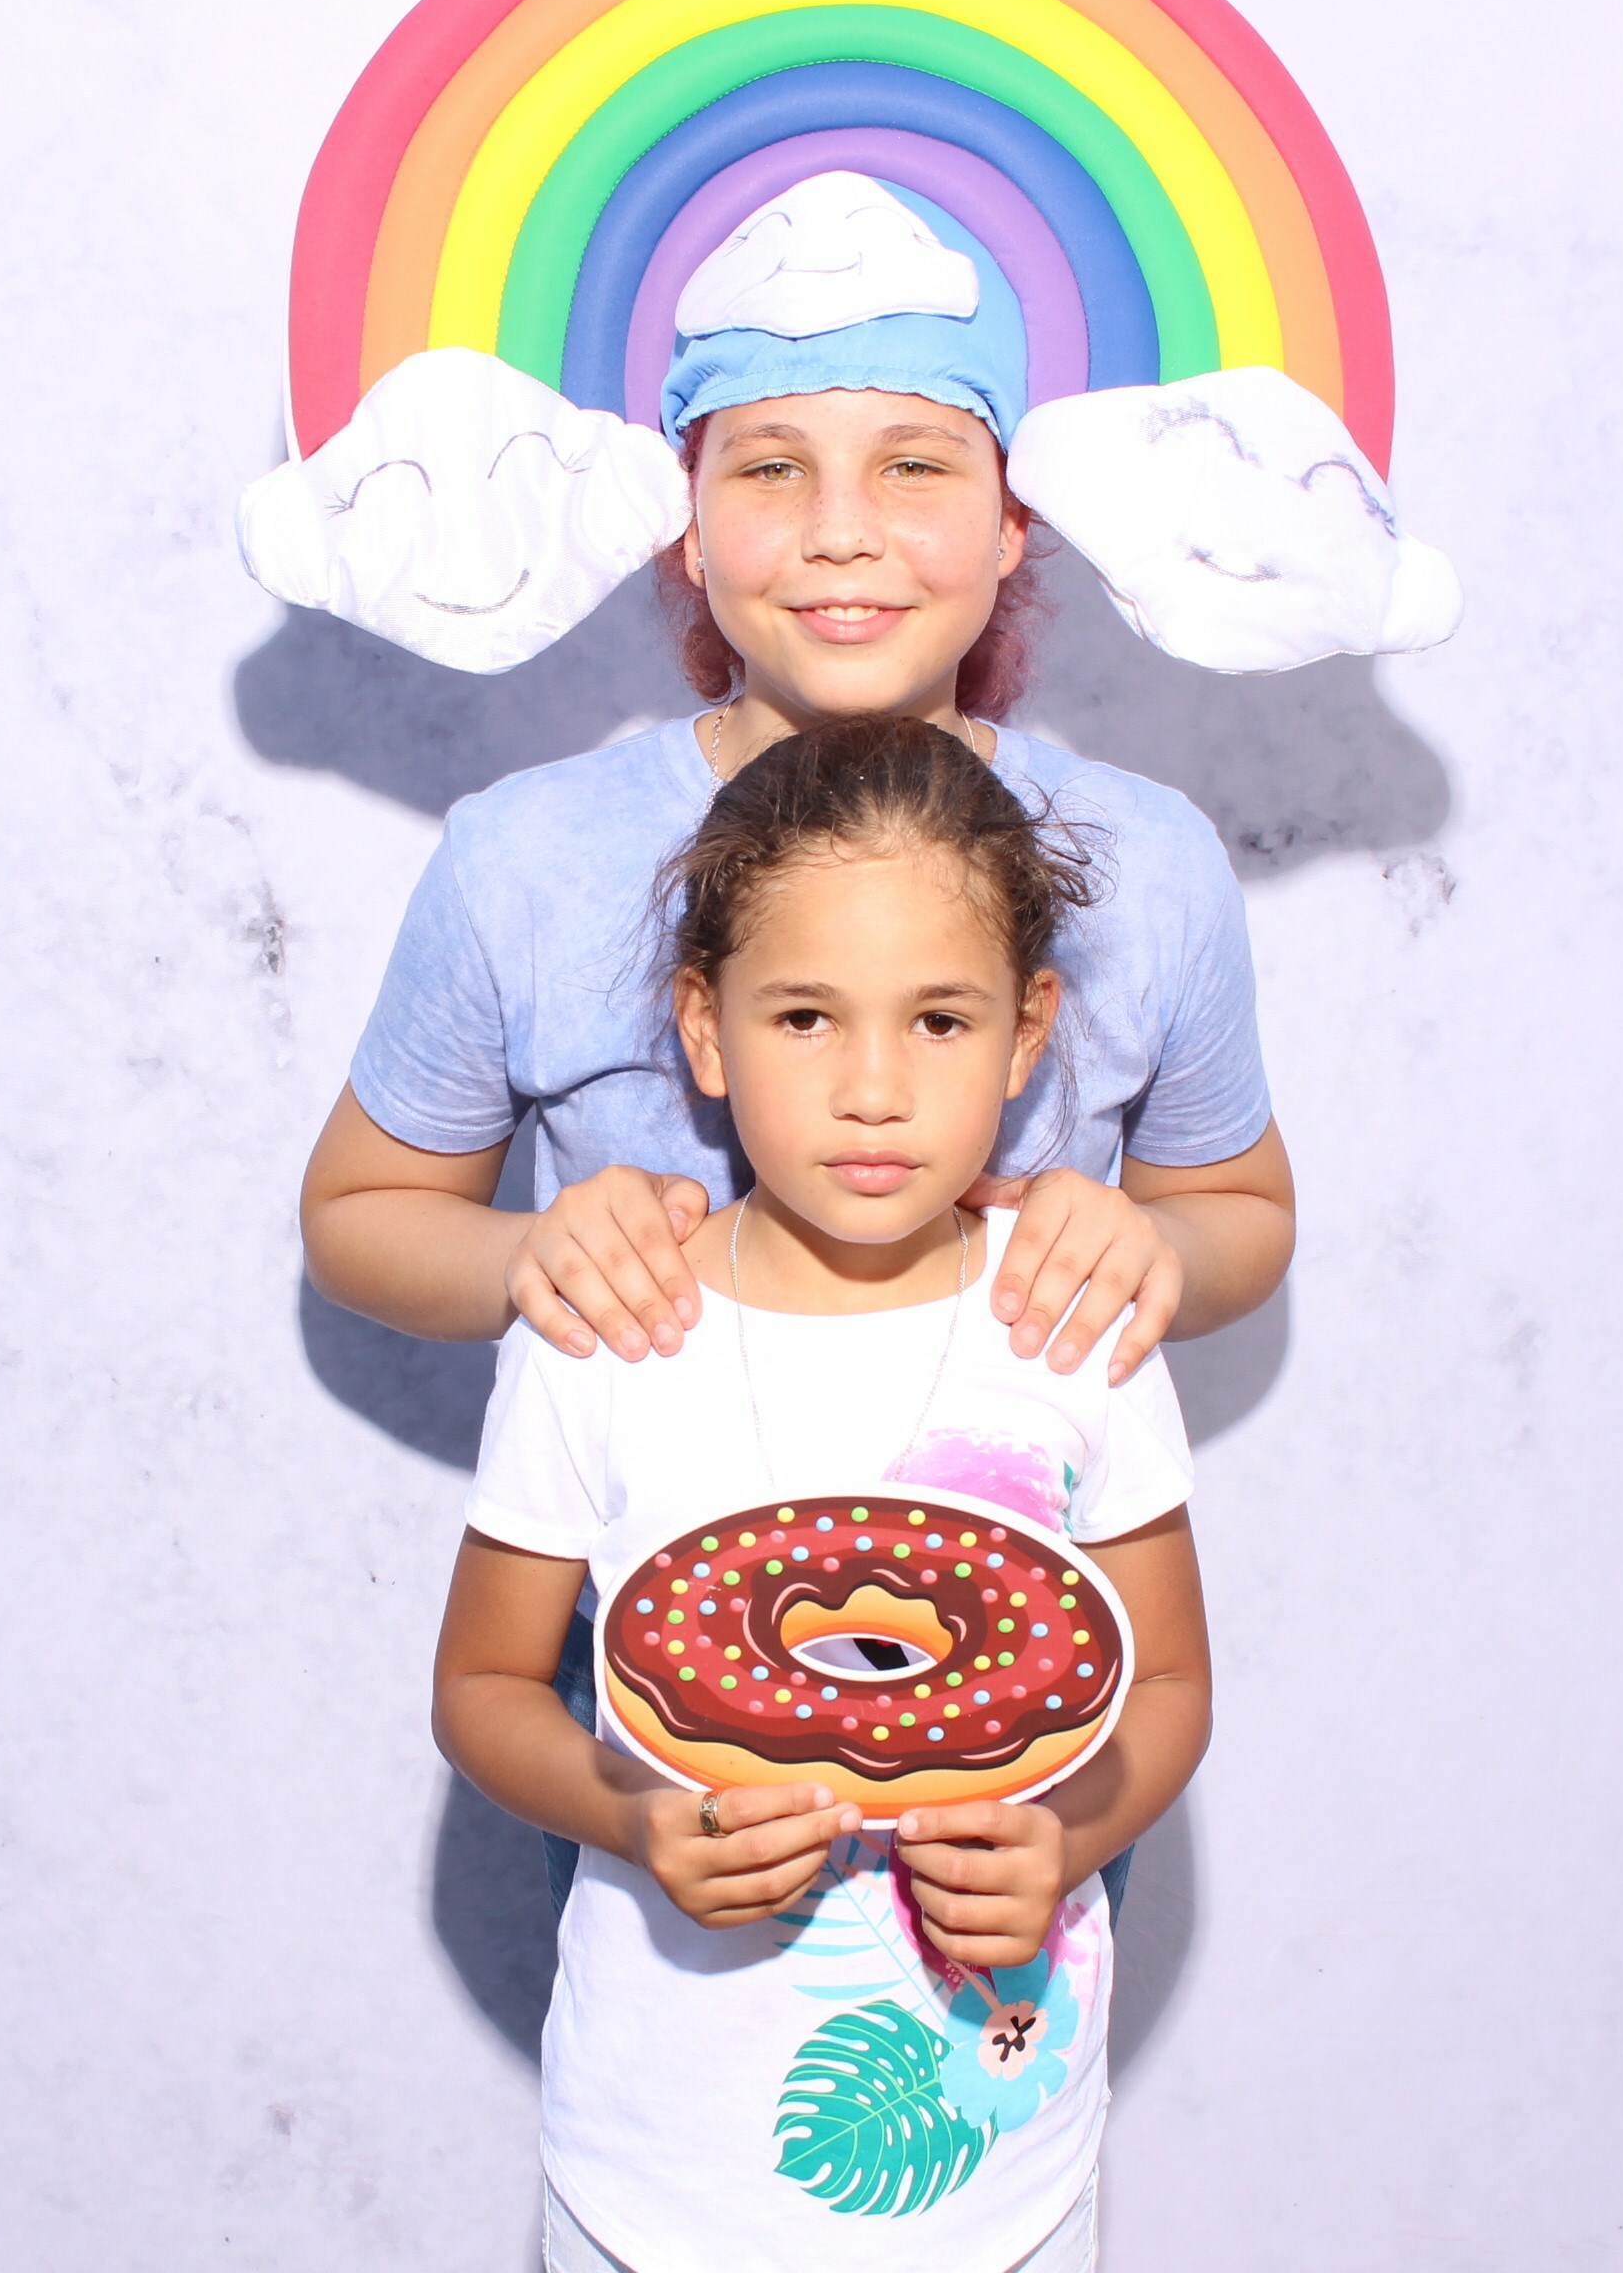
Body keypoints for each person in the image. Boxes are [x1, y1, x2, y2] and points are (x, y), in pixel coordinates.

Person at [297, 179, 1297, 1397]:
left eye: (914, 466)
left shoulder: (1152, 862)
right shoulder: (523, 856)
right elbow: (361, 1213)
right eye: (772, 469)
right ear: (689, 524)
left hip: (1014, 1509)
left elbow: (1240, 1209)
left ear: (1010, 522)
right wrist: (527, 1257)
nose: (840, 532)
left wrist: (1156, 1249)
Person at [435, 717, 1211, 2273]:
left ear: (1028, 1033)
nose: (873, 1089)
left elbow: (1173, 1680)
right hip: (655, 2183)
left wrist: (1067, 1838)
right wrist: (637, 1816)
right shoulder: (605, 1325)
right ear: (706, 1030)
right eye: (805, 1017)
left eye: (940, 1020)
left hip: (1005, 2187)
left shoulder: (1075, 1316)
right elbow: (481, 1687)